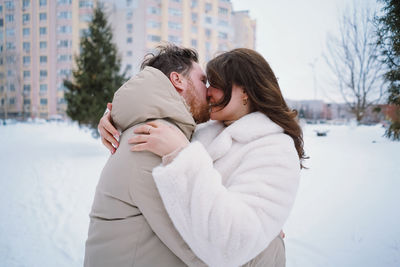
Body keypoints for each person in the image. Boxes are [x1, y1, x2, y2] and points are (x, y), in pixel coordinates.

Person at [100, 48, 304, 266]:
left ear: (244, 90)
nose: (208, 91)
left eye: (215, 83)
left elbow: (235, 243)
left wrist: (182, 154)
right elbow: (158, 106)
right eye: (206, 82)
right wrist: (117, 118)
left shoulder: (274, 148)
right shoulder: (205, 131)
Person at [85, 45, 209, 267]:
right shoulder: (151, 139)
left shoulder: (162, 130)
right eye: (203, 81)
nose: (209, 91)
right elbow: (198, 245)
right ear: (178, 80)